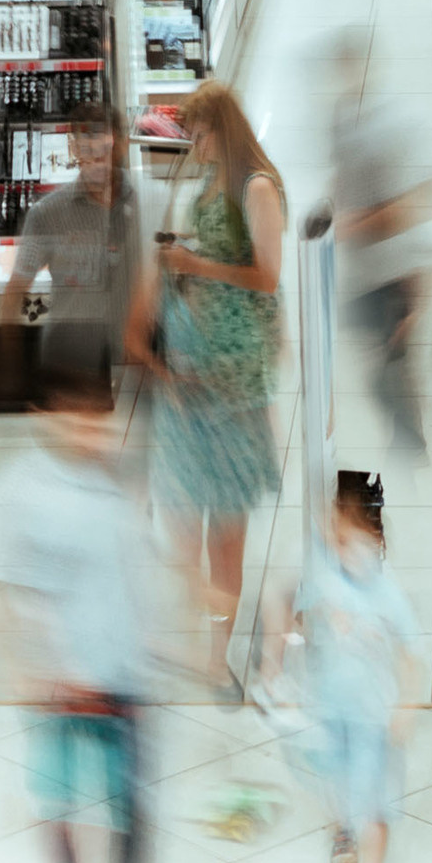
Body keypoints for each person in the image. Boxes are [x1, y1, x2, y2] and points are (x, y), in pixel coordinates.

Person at [0, 369, 156, 863]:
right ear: (48, 417)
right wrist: (21, 666)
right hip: (55, 679)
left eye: (98, 420)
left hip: (118, 666)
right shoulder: (20, 490)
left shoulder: (118, 479)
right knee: (58, 792)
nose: (92, 433)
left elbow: (132, 570)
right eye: (78, 419)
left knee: (126, 792)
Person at [147, 81, 286, 696]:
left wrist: (197, 265)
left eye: (197, 134)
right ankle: (195, 637)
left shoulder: (256, 187)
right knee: (183, 514)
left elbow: (266, 276)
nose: (191, 145)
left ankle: (215, 653)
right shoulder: (211, 184)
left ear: (218, 130)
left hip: (233, 379)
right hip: (194, 373)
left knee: (225, 527)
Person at [287, 472, 424, 863]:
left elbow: (409, 655)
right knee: (335, 780)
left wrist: (404, 708)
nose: (346, 551)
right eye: (337, 540)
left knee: (375, 804)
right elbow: (299, 616)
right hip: (331, 708)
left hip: (372, 716)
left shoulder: (388, 593)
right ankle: (342, 826)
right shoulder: (324, 578)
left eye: (354, 541)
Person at [329, 30, 432, 466]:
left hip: (393, 267)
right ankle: (406, 439)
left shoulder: (396, 120)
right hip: (361, 269)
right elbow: (340, 175)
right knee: (377, 358)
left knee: (390, 359)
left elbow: (416, 200)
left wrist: (354, 226)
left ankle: (411, 445)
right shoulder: (342, 116)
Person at [0, 101, 150, 392]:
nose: (97, 162)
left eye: (104, 150)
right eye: (87, 150)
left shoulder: (148, 203)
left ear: (119, 146)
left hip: (136, 362)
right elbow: (16, 287)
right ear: (74, 149)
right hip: (72, 365)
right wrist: (7, 362)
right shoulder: (46, 214)